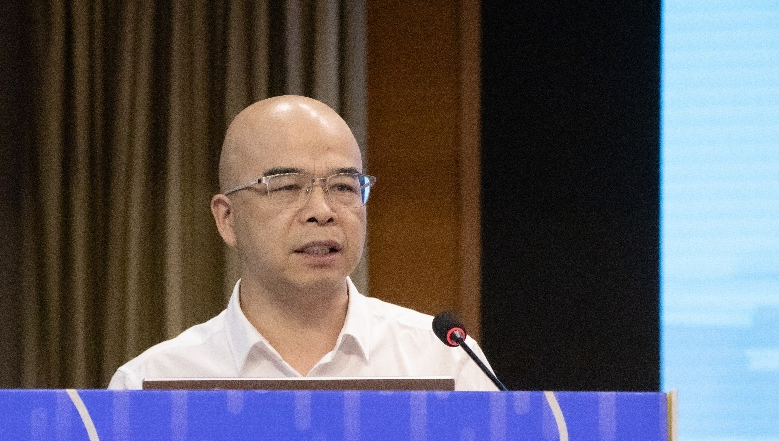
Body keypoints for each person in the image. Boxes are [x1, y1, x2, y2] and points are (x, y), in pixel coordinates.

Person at [108, 95, 496, 390]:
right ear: (227, 218)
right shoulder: (150, 384)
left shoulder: (445, 361)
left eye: (343, 186)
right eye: (288, 186)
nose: (321, 211)